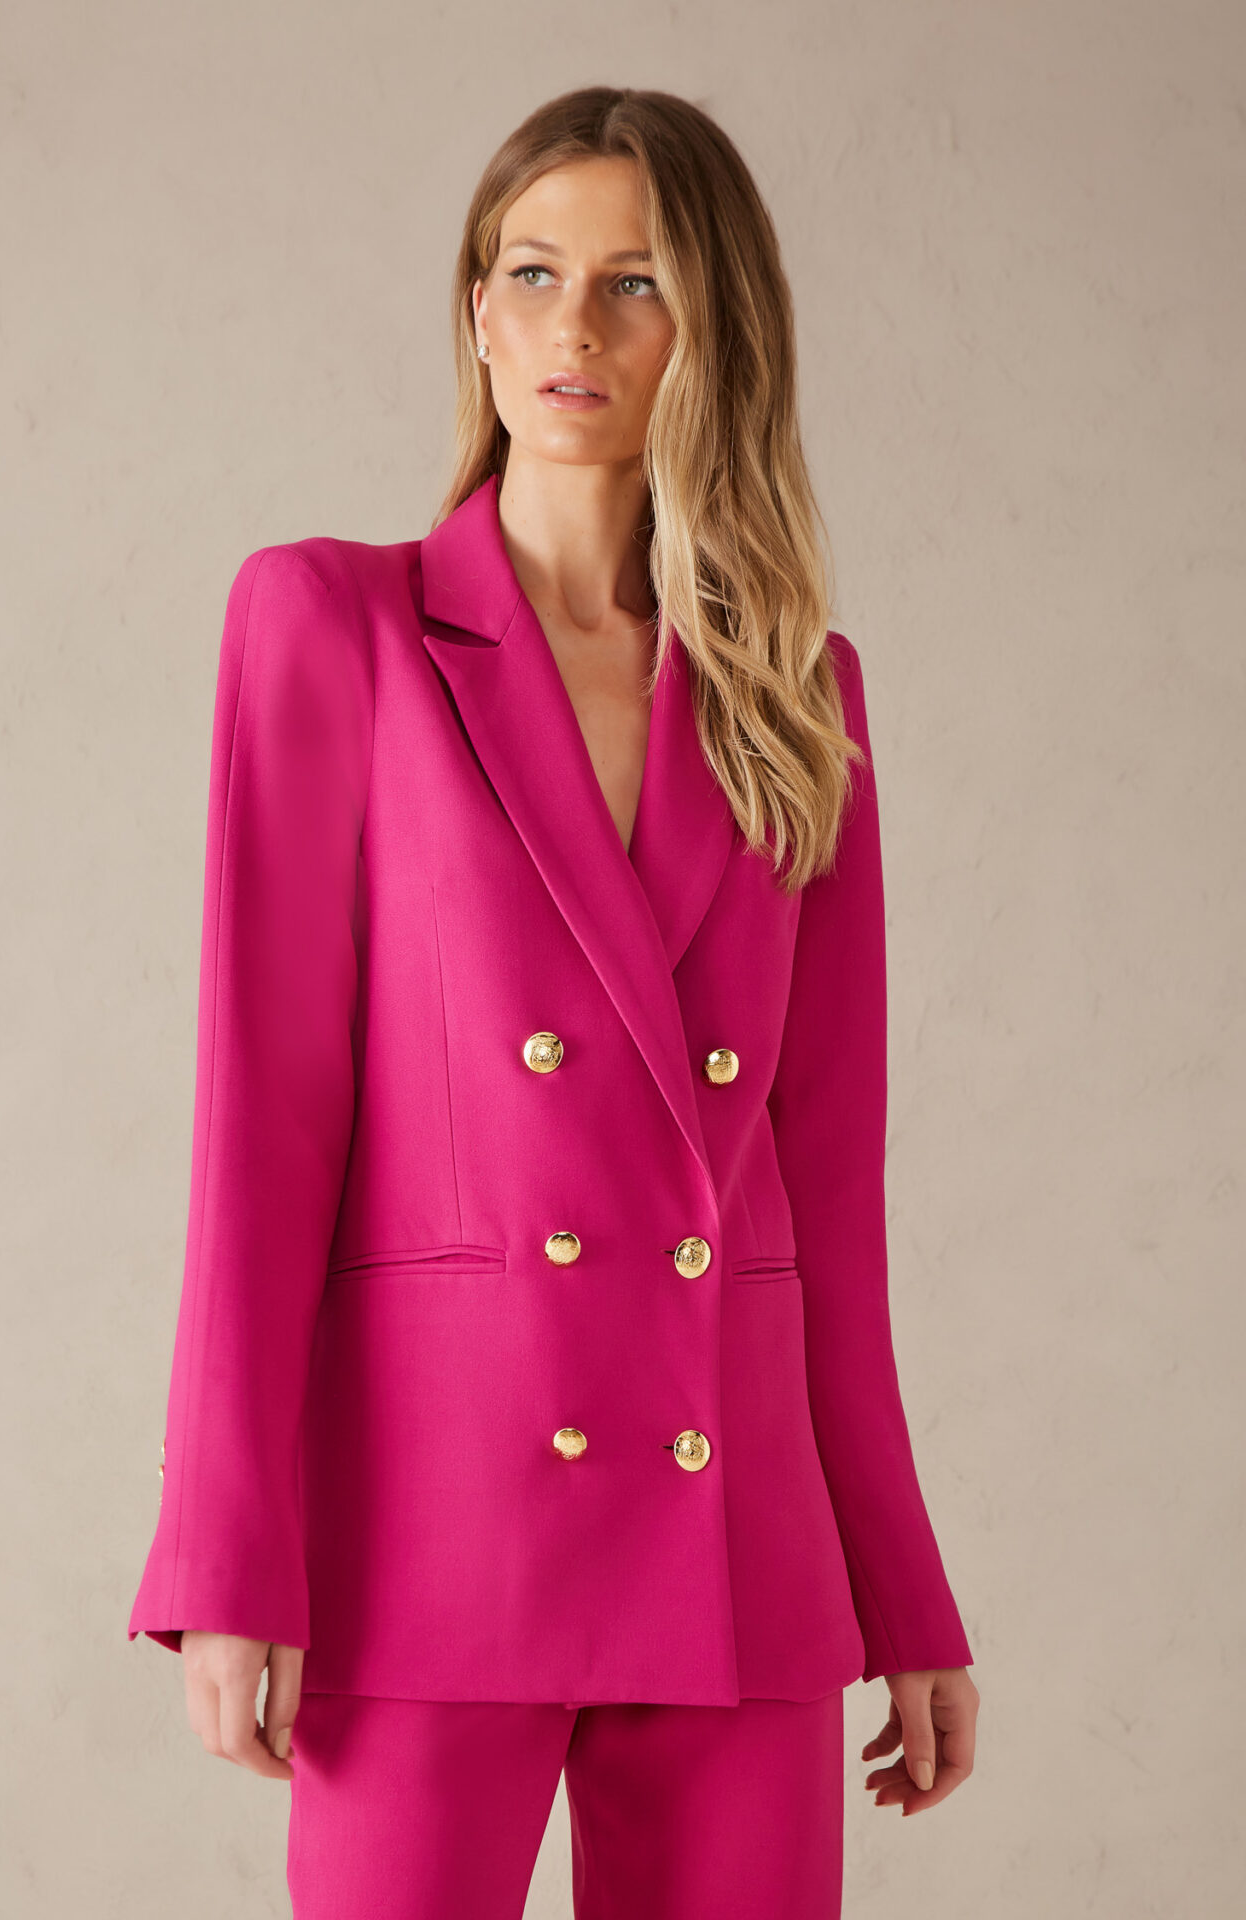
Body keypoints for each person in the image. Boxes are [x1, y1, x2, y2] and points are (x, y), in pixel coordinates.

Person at [127, 84, 980, 1919]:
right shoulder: (333, 627)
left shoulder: (798, 694)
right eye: (532, 273)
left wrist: (901, 1589)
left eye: (633, 281)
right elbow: (262, 1130)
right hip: (432, 1530)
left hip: (734, 1538)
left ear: (714, 332)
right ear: (477, 312)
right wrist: (227, 1557)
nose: (573, 325)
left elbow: (827, 1196)